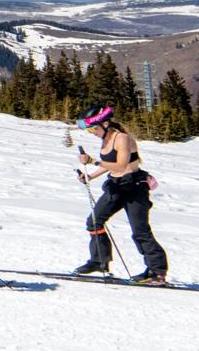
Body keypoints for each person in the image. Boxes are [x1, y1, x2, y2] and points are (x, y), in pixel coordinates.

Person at [72, 105, 169, 283]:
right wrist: (90, 176)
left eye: (93, 128)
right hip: (116, 186)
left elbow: (121, 165)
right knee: (94, 222)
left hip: (134, 188)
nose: (91, 132)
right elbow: (108, 164)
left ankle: (157, 272)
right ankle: (99, 261)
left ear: (106, 123)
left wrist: (93, 161)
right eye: (89, 129)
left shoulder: (121, 138)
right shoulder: (106, 139)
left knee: (140, 231)